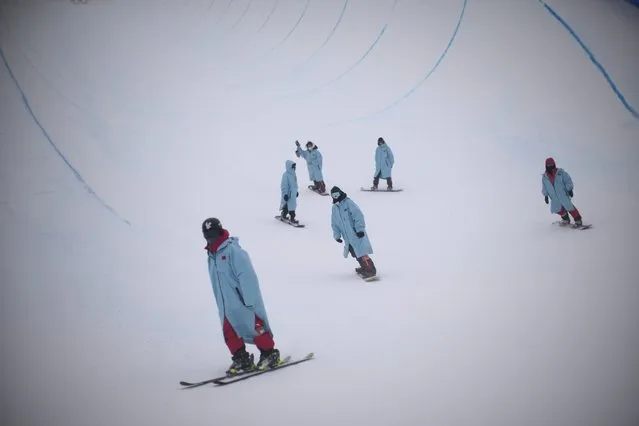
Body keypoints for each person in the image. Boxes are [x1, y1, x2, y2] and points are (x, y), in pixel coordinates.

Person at [202, 217, 282, 374]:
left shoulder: (233, 251)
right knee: (229, 332)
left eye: (213, 233)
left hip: (242, 301)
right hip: (225, 305)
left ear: (219, 231)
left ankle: (269, 354)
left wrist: (250, 300)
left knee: (256, 328)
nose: (210, 237)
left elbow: (247, 276)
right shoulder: (211, 256)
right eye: (207, 234)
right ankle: (241, 358)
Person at [329, 186, 377, 278]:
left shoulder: (348, 202)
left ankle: (371, 270)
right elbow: (334, 223)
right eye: (333, 195)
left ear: (340, 193)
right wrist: (337, 235)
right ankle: (364, 267)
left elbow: (358, 215)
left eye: (337, 194)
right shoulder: (334, 208)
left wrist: (359, 229)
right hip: (347, 237)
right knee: (355, 253)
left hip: (356, 234)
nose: (336, 197)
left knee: (362, 253)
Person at [541, 157, 583, 226]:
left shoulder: (561, 173)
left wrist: (569, 189)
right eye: (548, 165)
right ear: (546, 166)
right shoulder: (545, 177)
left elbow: (568, 181)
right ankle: (566, 219)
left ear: (554, 164)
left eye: (551, 165)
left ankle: (578, 220)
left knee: (569, 207)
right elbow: (544, 186)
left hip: (563, 194)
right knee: (557, 209)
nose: (550, 167)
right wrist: (545, 195)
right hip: (554, 197)